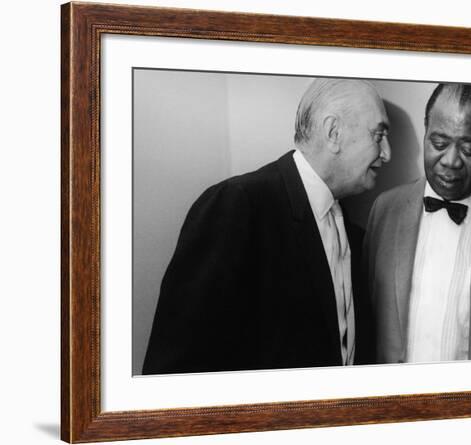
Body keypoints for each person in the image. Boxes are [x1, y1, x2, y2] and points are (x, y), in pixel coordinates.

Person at [142, 78, 391, 374]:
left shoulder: (354, 233)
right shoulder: (236, 205)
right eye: (379, 135)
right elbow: (175, 367)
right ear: (333, 132)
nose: (387, 153)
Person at [365, 83, 471, 364]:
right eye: (439, 144)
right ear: (425, 131)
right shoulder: (384, 209)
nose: (452, 161)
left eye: (469, 148)